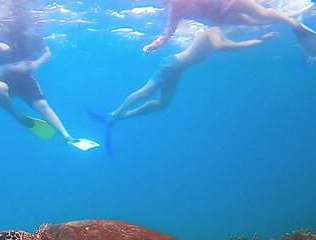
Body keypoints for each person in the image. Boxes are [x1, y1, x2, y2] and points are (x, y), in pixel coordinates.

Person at [91, 28, 276, 149]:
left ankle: (119, 116)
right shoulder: (214, 30)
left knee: (162, 104)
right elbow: (221, 46)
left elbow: (233, 42)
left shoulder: (219, 32)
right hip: (173, 64)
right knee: (147, 92)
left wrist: (260, 39)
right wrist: (253, 42)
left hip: (177, 69)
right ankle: (115, 114)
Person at [0, 0, 99, 151]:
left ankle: (67, 137)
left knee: (43, 106)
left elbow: (47, 53)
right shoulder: (1, 33)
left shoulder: (32, 35)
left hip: (25, 79)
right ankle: (16, 115)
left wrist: (37, 63)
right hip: (6, 78)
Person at [142, 0, 316, 55]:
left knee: (260, 15)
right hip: (222, 15)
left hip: (226, 9)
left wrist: (155, 45)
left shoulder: (174, 9)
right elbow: (168, 33)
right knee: (259, 18)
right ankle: (290, 19)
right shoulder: (174, 10)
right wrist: (154, 45)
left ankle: (291, 22)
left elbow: (167, 34)